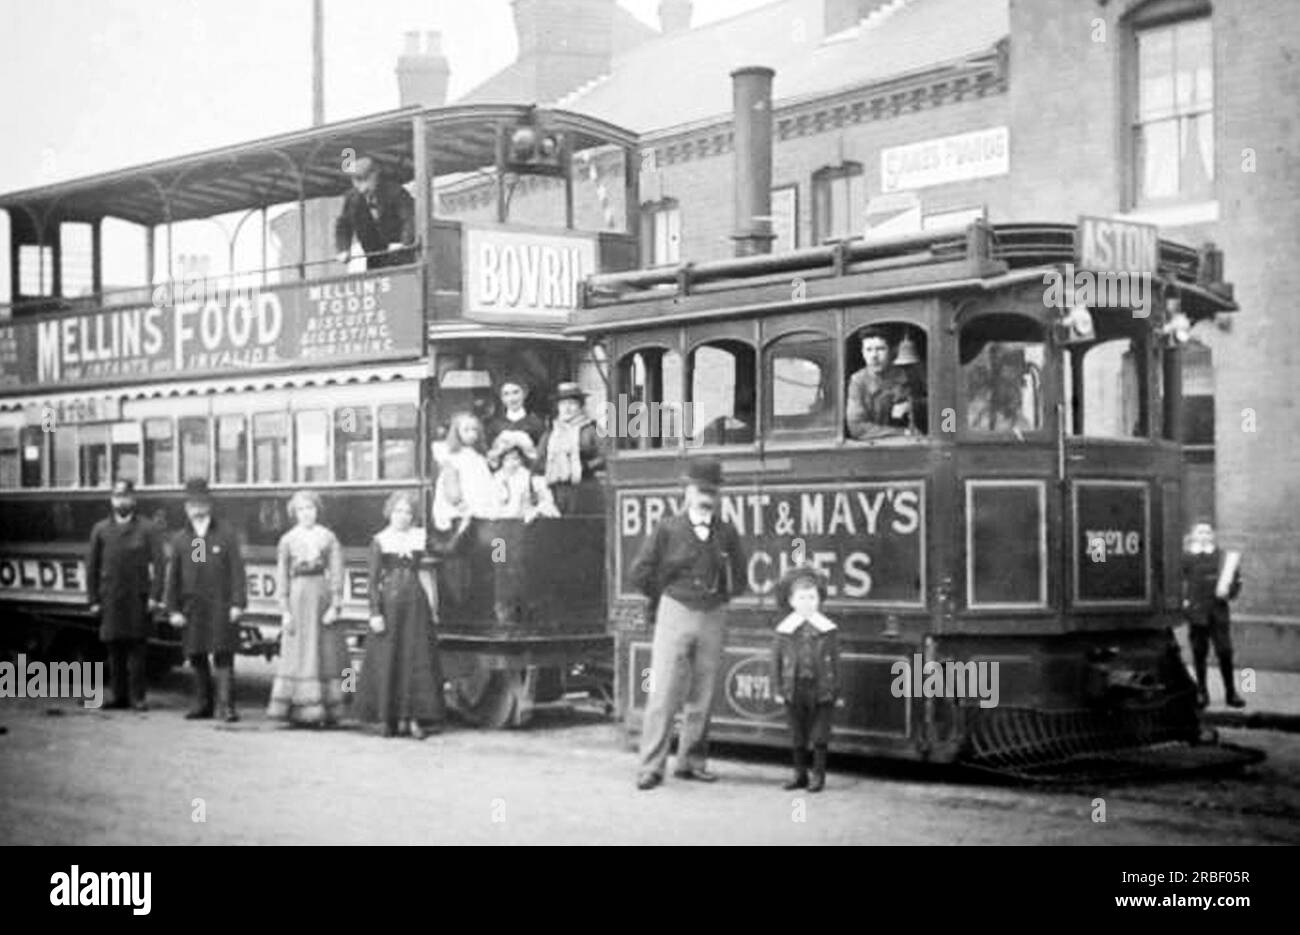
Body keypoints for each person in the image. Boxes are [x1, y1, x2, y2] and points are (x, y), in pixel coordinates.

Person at [630, 457, 747, 790]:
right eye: (700, 490)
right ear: (687, 492)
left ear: (719, 494)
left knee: (704, 692)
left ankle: (691, 762)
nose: (706, 497)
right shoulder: (667, 528)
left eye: (712, 491)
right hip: (674, 610)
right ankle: (651, 767)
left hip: (713, 614)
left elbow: (740, 577)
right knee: (664, 691)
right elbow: (639, 572)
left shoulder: (726, 531)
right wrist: (665, 595)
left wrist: (721, 595)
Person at [353, 491, 446, 738]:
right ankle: (387, 718)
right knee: (389, 658)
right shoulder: (380, 540)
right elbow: (372, 581)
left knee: (415, 658)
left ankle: (414, 717)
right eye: (398, 511)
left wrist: (465, 524)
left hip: (416, 604)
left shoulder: (419, 537)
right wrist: (374, 613)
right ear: (389, 513)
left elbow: (447, 549)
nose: (402, 516)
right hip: (390, 606)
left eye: (407, 512)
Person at [165, 478, 248, 722]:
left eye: (201, 504)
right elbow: (174, 578)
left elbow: (237, 572)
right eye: (192, 505)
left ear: (209, 505)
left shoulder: (227, 534)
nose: (197, 510)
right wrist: (173, 610)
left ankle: (227, 707)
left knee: (224, 655)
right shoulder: (181, 539)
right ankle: (202, 705)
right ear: (185, 508)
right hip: (193, 608)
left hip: (222, 606)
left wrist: (238, 603)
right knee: (197, 655)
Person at [266, 490, 347, 727]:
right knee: (299, 652)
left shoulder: (328, 537)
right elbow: (282, 574)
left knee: (330, 652)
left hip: (321, 597)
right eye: (301, 510)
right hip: (297, 599)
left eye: (310, 509)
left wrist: (336, 604)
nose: (306, 514)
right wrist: (285, 610)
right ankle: (298, 710)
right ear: (294, 513)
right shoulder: (287, 540)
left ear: (317, 511)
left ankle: (332, 708)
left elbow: (337, 571)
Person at [86, 479, 165, 711]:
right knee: (114, 650)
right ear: (111, 500)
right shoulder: (100, 529)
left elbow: (160, 565)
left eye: (126, 496)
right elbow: (92, 566)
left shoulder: (148, 528)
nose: (122, 501)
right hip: (110, 597)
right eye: (117, 497)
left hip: (138, 598)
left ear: (134, 500)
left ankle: (137, 697)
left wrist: (154, 596)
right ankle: (118, 696)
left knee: (137, 651)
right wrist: (93, 600)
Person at [771, 565, 841, 793]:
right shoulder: (784, 631)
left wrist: (837, 691)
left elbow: (836, 662)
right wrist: (778, 689)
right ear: (792, 601)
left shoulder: (828, 629)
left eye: (812, 597)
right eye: (802, 597)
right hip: (794, 688)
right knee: (797, 736)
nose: (807, 602)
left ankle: (818, 776)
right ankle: (799, 775)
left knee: (820, 736)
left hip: (821, 689)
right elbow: (776, 662)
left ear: (819, 600)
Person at [1182, 520, 1245, 709]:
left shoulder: (1223, 558)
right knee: (1199, 653)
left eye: (1207, 532)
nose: (1204, 536)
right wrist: (1184, 602)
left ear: (1212, 536)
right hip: (1197, 613)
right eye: (1200, 532)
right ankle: (1202, 692)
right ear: (1193, 536)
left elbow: (1236, 581)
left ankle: (1231, 692)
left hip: (1218, 612)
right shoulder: (1185, 558)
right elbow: (1177, 582)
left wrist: (1230, 592)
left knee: (1225, 652)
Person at [334, 156, 416, 270]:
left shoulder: (396, 192)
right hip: (375, 260)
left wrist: (404, 243)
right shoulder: (351, 198)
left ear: (375, 175)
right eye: (356, 181)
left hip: (401, 259)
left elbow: (409, 218)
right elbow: (343, 225)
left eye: (364, 179)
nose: (361, 186)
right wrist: (343, 249)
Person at [538, 381, 605, 514]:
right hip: (557, 491)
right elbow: (540, 459)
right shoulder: (551, 432)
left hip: (584, 489)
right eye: (563, 404)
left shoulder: (592, 429)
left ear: (580, 406)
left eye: (572, 404)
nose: (567, 408)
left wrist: (585, 466)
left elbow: (605, 456)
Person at [845, 326, 920, 440]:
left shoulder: (907, 376)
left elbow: (946, 407)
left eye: (880, 349)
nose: (874, 356)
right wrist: (903, 432)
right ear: (862, 353)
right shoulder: (858, 381)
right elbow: (857, 428)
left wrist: (914, 405)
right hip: (872, 449)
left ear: (891, 351)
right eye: (868, 350)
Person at [431, 412, 498, 532]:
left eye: (474, 430)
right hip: (461, 511)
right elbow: (450, 482)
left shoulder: (478, 456)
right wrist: (460, 505)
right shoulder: (452, 457)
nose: (471, 434)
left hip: (480, 509)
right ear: (457, 432)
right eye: (466, 430)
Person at [489, 431, 560, 523]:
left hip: (527, 528)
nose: (511, 463)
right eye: (507, 459)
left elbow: (547, 502)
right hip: (502, 527)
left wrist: (536, 512)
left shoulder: (532, 479)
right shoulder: (495, 479)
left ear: (522, 458)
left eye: (515, 458)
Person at [486, 378, 547, 447]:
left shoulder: (536, 423)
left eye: (515, 392)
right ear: (502, 398)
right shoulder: (494, 425)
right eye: (506, 394)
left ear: (524, 394)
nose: (511, 399)